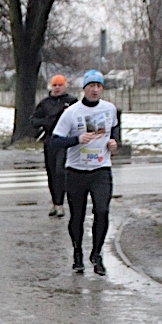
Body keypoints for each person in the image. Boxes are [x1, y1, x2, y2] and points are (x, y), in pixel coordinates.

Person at [51, 70, 120, 276]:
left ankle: (97, 254)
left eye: (99, 86)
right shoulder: (72, 112)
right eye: (91, 86)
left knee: (102, 210)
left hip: (101, 169)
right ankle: (77, 253)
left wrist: (114, 142)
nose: (95, 90)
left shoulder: (109, 109)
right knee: (77, 215)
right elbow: (55, 141)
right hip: (76, 171)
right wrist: (76, 139)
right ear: (84, 89)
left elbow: (115, 129)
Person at [29, 75, 75, 217]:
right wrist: (46, 122)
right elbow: (34, 120)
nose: (57, 88)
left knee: (60, 171)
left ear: (65, 86)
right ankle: (55, 203)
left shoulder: (72, 102)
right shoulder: (45, 103)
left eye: (60, 85)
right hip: (50, 141)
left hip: (65, 141)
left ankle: (60, 204)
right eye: (55, 85)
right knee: (51, 173)